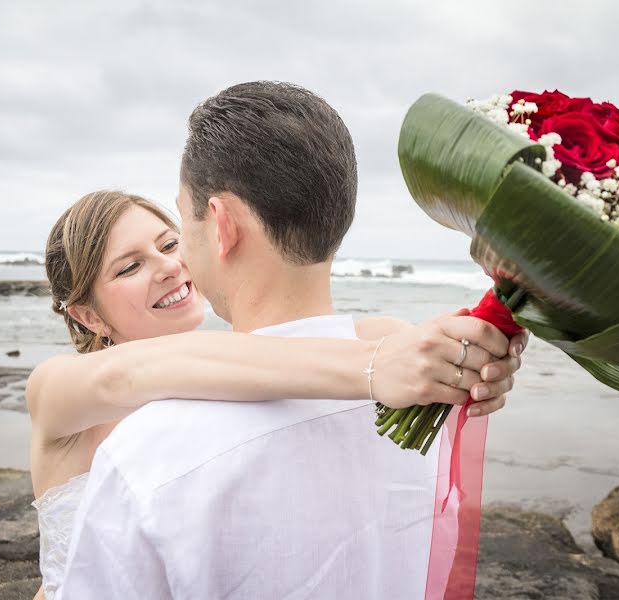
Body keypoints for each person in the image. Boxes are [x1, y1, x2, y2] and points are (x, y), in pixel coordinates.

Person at [60, 82, 527, 599]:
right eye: (130, 265)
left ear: (220, 224)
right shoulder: (424, 401)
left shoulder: (147, 455)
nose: (176, 264)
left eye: (177, 231)